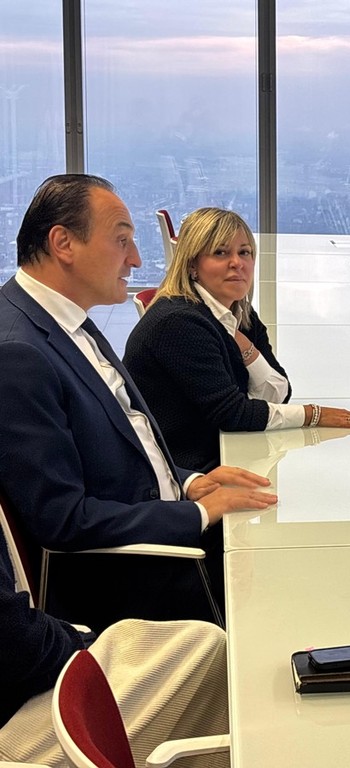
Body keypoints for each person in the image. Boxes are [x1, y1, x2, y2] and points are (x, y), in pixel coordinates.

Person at [0, 175, 278, 630]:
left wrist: (190, 482)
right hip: (141, 579)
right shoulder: (18, 352)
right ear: (63, 243)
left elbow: (119, 448)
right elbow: (63, 519)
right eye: (122, 241)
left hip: (162, 525)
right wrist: (198, 513)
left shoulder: (67, 321)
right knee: (293, 582)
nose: (136, 259)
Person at [124, 207, 350, 472]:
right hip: (179, 471)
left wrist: (244, 346)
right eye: (220, 253)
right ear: (192, 265)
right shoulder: (179, 322)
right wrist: (314, 415)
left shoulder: (237, 312)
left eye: (244, 252)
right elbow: (233, 415)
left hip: (217, 451)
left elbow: (278, 392)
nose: (237, 263)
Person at [0, 538, 229, 767]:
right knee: (208, 649)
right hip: (15, 718)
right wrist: (76, 639)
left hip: (29, 665)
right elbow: (17, 640)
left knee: (204, 640)